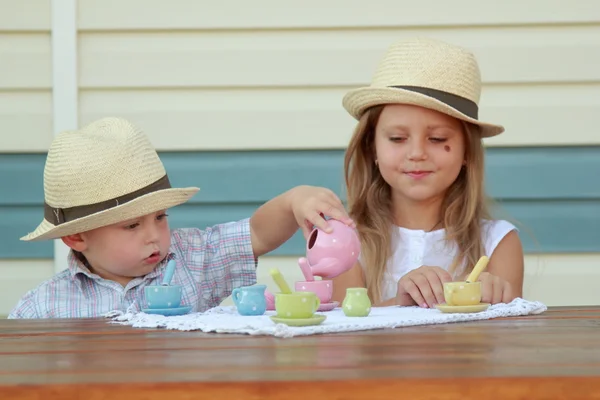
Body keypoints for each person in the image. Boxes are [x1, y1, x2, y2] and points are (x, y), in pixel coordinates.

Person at [9, 117, 353, 318]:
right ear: (77, 237)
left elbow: (257, 235)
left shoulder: (193, 259)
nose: (154, 235)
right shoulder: (42, 307)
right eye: (132, 224)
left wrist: (294, 200)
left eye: (160, 217)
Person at [332, 37, 524, 308]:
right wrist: (400, 305)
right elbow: (342, 337)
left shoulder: (497, 243)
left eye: (436, 139)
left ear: (467, 151)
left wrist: (496, 303)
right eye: (398, 138)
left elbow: (503, 344)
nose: (417, 153)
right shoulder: (345, 241)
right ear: (371, 148)